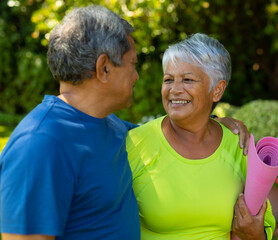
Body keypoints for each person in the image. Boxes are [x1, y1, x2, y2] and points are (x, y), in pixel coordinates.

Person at [0, 5, 250, 240]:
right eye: (132, 64)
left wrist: (215, 121)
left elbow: (178, 133)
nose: (137, 76)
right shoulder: (40, 143)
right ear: (104, 68)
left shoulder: (114, 129)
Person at [126, 33, 276, 240]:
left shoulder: (239, 146)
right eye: (168, 79)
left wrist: (256, 234)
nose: (175, 90)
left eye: (188, 80)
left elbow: (263, 225)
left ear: (217, 90)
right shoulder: (135, 144)